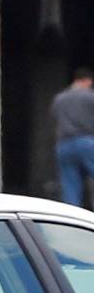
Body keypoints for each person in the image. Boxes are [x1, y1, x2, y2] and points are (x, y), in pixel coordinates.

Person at [53, 68, 94, 207]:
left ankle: (73, 216)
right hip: (86, 142)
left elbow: (54, 117)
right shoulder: (90, 97)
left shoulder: (59, 98)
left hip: (64, 144)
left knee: (70, 186)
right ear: (86, 80)